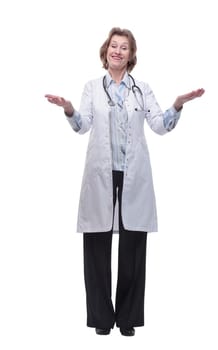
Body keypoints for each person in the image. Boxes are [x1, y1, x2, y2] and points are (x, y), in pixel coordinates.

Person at [45, 27, 205, 336]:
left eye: (125, 47)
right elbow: (82, 126)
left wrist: (178, 104)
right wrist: (68, 109)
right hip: (100, 174)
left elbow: (159, 125)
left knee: (133, 247)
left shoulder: (141, 89)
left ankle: (128, 318)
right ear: (105, 52)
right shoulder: (92, 87)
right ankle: (102, 320)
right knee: (96, 246)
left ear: (131, 56)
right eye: (114, 46)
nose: (118, 51)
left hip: (134, 175)